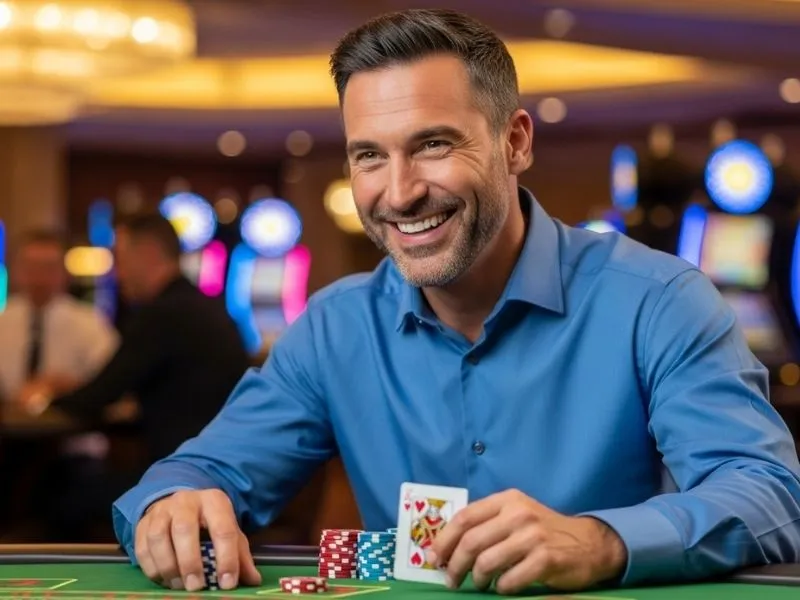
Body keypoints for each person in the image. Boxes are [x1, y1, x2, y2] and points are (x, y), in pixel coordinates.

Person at [112, 8, 800, 595]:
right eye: (369, 156)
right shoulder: (335, 327)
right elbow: (197, 472)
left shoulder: (658, 300)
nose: (400, 191)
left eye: (433, 144)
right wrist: (176, 501)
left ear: (516, 141)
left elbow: (767, 492)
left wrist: (602, 541)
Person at [18, 213, 251, 466]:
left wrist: (45, 398)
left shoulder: (163, 314)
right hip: (216, 464)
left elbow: (98, 397)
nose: (116, 274)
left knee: (56, 492)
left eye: (120, 259)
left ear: (149, 254)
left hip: (188, 474)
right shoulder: (195, 304)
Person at [0, 230, 119, 533]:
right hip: (10, 444)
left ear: (63, 273)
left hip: (73, 446)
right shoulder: (4, 320)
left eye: (48, 267)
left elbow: (116, 387)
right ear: (17, 270)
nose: (39, 277)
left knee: (65, 498)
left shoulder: (90, 323)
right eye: (31, 267)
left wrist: (64, 384)